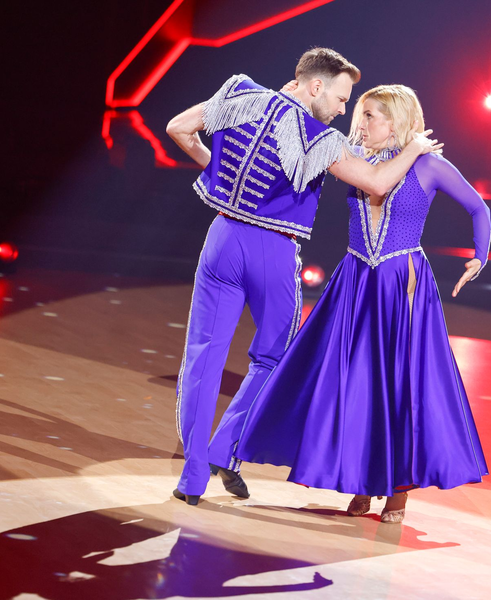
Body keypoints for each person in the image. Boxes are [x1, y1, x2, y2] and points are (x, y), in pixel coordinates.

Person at [165, 49, 443, 506]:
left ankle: (192, 477)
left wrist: (219, 172)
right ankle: (225, 447)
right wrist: (413, 148)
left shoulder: (239, 93)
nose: (340, 110)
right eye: (339, 98)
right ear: (315, 87)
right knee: (275, 358)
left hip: (221, 239)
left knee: (202, 356)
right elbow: (376, 183)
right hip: (272, 250)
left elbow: (178, 128)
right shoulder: (319, 136)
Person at [236, 84, 491, 523]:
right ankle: (360, 481)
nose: (361, 123)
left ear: (395, 120)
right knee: (352, 384)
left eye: (371, 115)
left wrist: (479, 256)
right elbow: (370, 178)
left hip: (400, 283)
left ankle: (396, 491)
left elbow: (478, 208)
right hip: (355, 279)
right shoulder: (353, 161)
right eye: (360, 114)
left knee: (401, 385)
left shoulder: (431, 166)